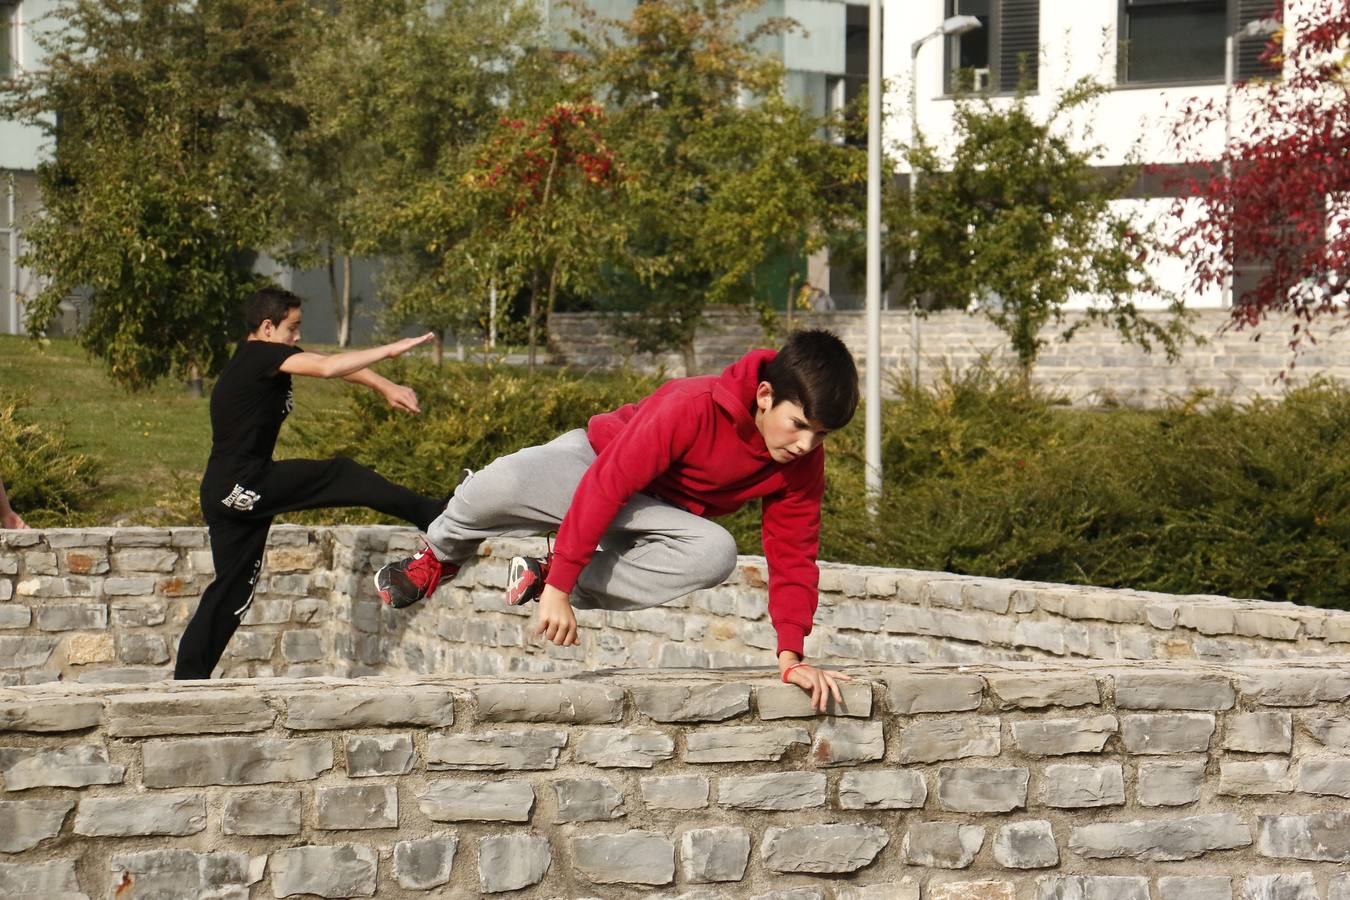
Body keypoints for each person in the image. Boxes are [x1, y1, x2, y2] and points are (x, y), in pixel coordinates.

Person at [377, 329, 860, 711]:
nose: (805, 446)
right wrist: (561, 590)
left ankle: (544, 573)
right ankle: (439, 555)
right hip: (593, 465)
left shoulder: (799, 464)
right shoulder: (690, 405)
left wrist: (791, 658)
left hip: (656, 513)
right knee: (499, 483)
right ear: (764, 394)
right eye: (799, 425)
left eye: (821, 436)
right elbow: (606, 484)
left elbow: (794, 553)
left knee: (716, 552)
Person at [174, 286, 443, 680]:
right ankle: (432, 512)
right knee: (340, 473)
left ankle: (187, 682)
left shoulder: (262, 356)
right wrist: (391, 349)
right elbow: (329, 366)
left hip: (226, 492)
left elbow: (327, 363)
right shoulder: (260, 355)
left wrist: (384, 386)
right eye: (292, 329)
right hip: (243, 484)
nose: (297, 338)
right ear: (268, 327)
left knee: (232, 594)